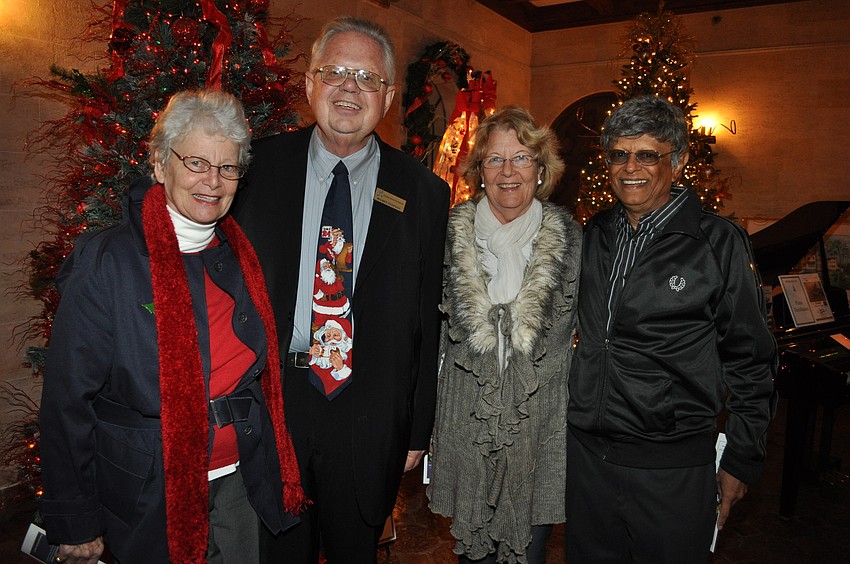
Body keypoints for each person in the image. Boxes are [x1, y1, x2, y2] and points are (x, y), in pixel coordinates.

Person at [38, 90, 306, 564]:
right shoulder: (108, 262)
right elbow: (66, 400)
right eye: (196, 162)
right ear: (161, 165)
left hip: (240, 478)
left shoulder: (240, 255)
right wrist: (75, 518)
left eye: (227, 167)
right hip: (148, 492)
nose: (213, 181)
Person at [231, 15, 450, 563]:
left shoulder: (423, 192)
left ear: (388, 98)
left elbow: (428, 321)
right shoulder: (253, 170)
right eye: (335, 72)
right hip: (276, 402)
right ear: (310, 84)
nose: (350, 88)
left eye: (368, 78)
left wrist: (416, 429)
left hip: (369, 415)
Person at [565, 94, 776, 563]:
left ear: (677, 162)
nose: (629, 168)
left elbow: (751, 357)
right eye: (619, 154)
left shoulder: (716, 242)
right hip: (588, 460)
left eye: (647, 154)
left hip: (671, 466)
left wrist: (741, 457)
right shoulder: (595, 233)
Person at [427, 105, 581, 563]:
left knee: (529, 553)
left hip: (540, 436)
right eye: (495, 159)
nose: (508, 171)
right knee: (471, 553)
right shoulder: (443, 238)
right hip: (464, 430)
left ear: (541, 169)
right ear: (480, 171)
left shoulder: (575, 243)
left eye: (521, 158)